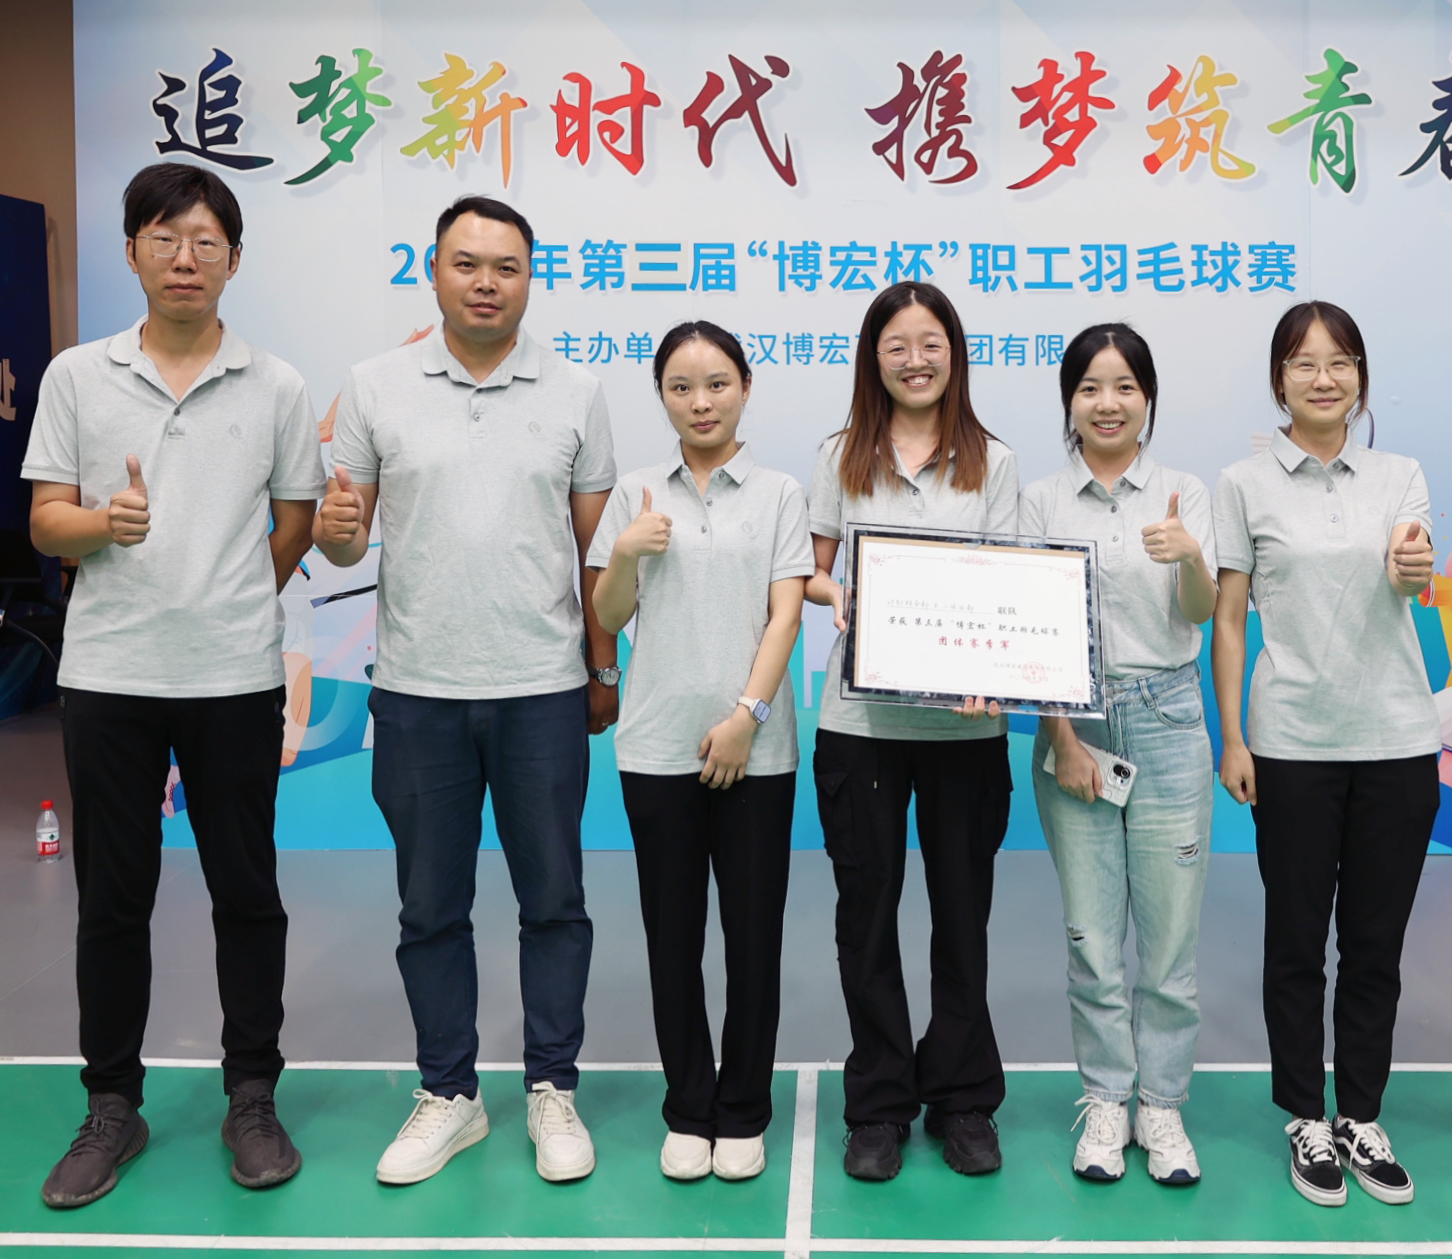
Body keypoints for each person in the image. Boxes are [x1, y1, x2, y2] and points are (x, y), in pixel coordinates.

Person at [23, 164, 323, 1207]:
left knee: (247, 892)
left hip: (234, 676)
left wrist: (228, 597)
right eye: (163, 238)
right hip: (110, 675)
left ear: (234, 259)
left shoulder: (276, 385)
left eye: (204, 241)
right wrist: (102, 525)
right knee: (113, 899)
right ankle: (112, 1104)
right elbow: (45, 522)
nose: (184, 258)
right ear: (132, 252)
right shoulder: (78, 376)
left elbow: (295, 523)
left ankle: (253, 1096)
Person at [314, 195, 619, 1187]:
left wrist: (603, 667)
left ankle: (552, 1088)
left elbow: (595, 552)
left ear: (531, 278)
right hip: (418, 692)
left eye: (507, 267)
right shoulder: (375, 385)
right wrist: (333, 532)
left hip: (542, 688)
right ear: (434, 271)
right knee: (430, 907)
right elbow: (345, 537)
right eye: (466, 263)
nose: (486, 282)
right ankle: (449, 1094)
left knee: (555, 901)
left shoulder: (576, 392)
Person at [1211, 301, 1441, 1210]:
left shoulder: (1400, 475)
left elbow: (1413, 565)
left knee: (1376, 945)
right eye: (1304, 363)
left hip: (1397, 740)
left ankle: (1363, 1117)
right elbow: (1231, 619)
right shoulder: (1243, 482)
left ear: (1361, 377)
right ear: (1279, 380)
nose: (1323, 378)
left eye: (1340, 361)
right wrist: (1234, 736)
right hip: (1292, 743)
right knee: (1297, 942)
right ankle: (1306, 1115)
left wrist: (1414, 568)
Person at [586, 322, 812, 1184]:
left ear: (746, 387)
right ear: (663, 398)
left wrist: (748, 716)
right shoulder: (636, 493)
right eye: (681, 388)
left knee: (753, 939)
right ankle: (688, 1108)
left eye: (717, 383)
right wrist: (626, 555)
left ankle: (743, 1110)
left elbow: (786, 614)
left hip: (757, 749)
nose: (701, 401)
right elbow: (608, 616)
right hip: (657, 748)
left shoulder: (780, 493)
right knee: (672, 938)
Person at [806, 282, 1020, 1182]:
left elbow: (1010, 585)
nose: (915, 359)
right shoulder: (840, 453)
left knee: (963, 919)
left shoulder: (994, 461)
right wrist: (844, 595)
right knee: (867, 916)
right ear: (874, 359)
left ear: (955, 354)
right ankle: (879, 1104)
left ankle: (963, 1097)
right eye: (896, 345)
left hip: (965, 732)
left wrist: (995, 670)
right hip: (861, 724)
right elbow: (812, 572)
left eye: (931, 343)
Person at [1021, 323, 1216, 1187]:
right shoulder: (1040, 501)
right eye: (1090, 388)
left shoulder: (1183, 492)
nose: (1108, 404)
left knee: (1170, 943)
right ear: (1069, 401)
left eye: (1125, 387)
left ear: (1148, 398)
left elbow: (1201, 612)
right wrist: (1062, 739)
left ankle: (1162, 1106)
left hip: (1169, 718)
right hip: (1078, 725)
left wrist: (1190, 557)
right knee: (1093, 940)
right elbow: (1029, 630)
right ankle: (1106, 1099)